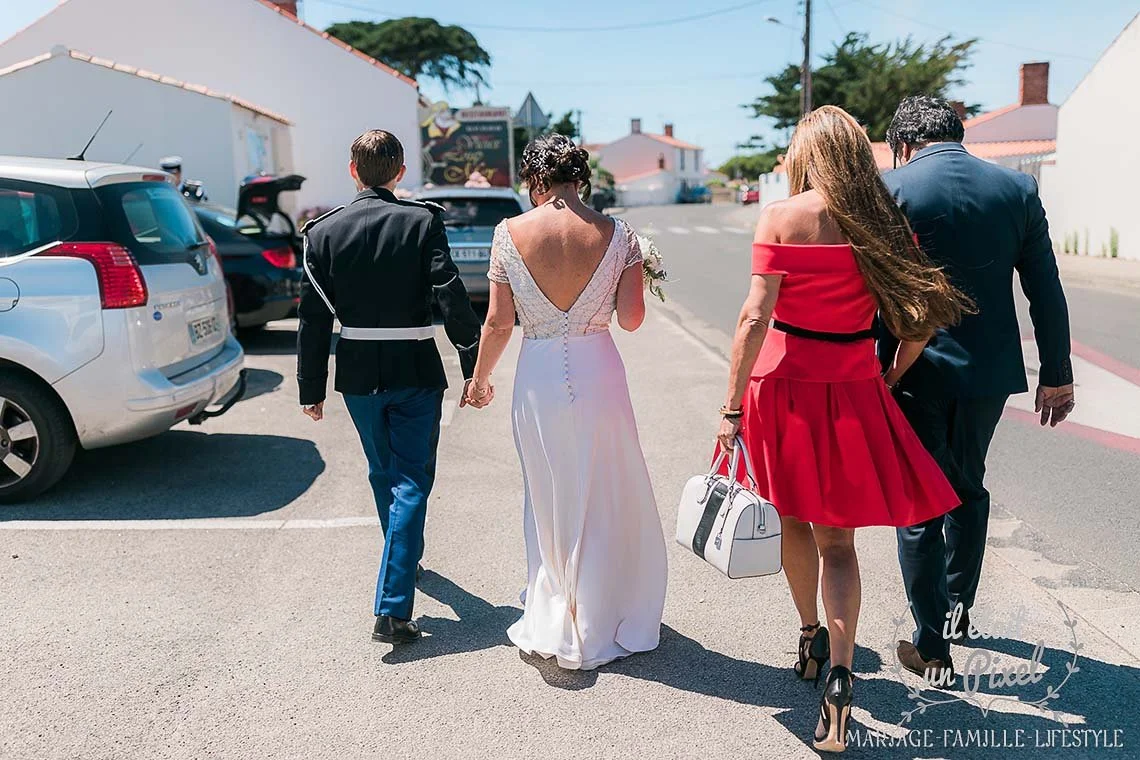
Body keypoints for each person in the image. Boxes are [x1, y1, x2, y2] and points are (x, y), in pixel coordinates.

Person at [716, 106, 969, 753]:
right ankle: (840, 675)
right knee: (840, 544)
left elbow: (754, 318)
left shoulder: (781, 216)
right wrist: (888, 373)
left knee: (791, 518)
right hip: (853, 386)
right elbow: (921, 320)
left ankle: (809, 636)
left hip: (782, 387)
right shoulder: (883, 224)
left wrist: (731, 407)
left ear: (806, 156)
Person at [882, 96, 1075, 679]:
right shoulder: (1016, 189)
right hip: (989, 373)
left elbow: (869, 290)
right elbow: (1045, 287)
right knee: (967, 485)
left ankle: (931, 645)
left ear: (903, 144)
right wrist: (1057, 373)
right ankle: (957, 612)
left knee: (919, 501)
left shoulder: (892, 189)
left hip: (912, 369)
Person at [463, 133, 667, 670]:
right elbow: (631, 320)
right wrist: (634, 273)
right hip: (600, 372)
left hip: (537, 374)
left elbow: (498, 323)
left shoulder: (508, 234)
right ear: (581, 178)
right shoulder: (618, 234)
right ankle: (604, 606)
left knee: (550, 489)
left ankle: (559, 599)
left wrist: (479, 379)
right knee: (606, 487)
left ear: (536, 179)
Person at [296, 130, 482, 645]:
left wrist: (311, 388)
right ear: (400, 172)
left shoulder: (322, 232)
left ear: (352, 171)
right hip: (415, 369)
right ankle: (393, 610)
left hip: (358, 374)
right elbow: (450, 294)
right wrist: (473, 365)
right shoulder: (422, 221)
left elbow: (312, 318)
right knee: (411, 480)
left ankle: (404, 555)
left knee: (385, 473)